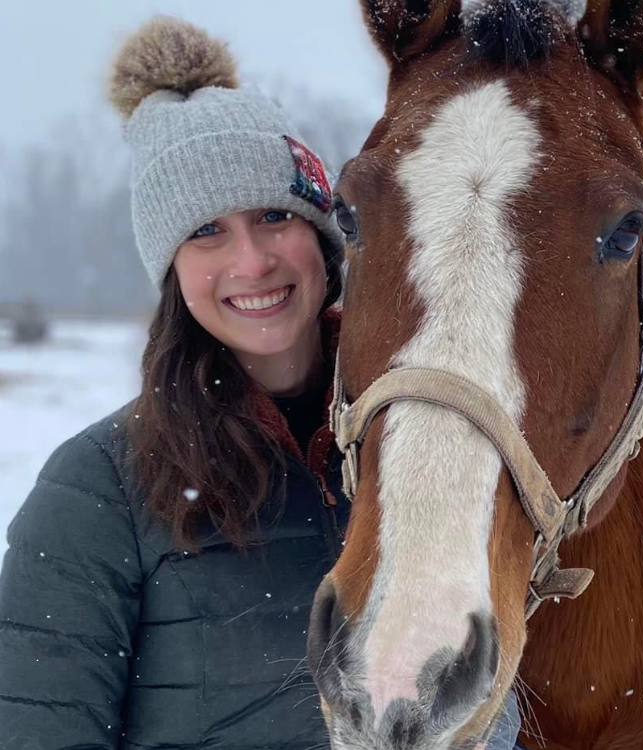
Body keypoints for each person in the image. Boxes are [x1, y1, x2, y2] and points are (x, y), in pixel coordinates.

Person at [0, 16, 520, 750]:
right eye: (206, 232)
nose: (251, 262)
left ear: (321, 235)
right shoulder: (95, 491)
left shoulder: (442, 442)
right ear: (172, 271)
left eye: (275, 216)